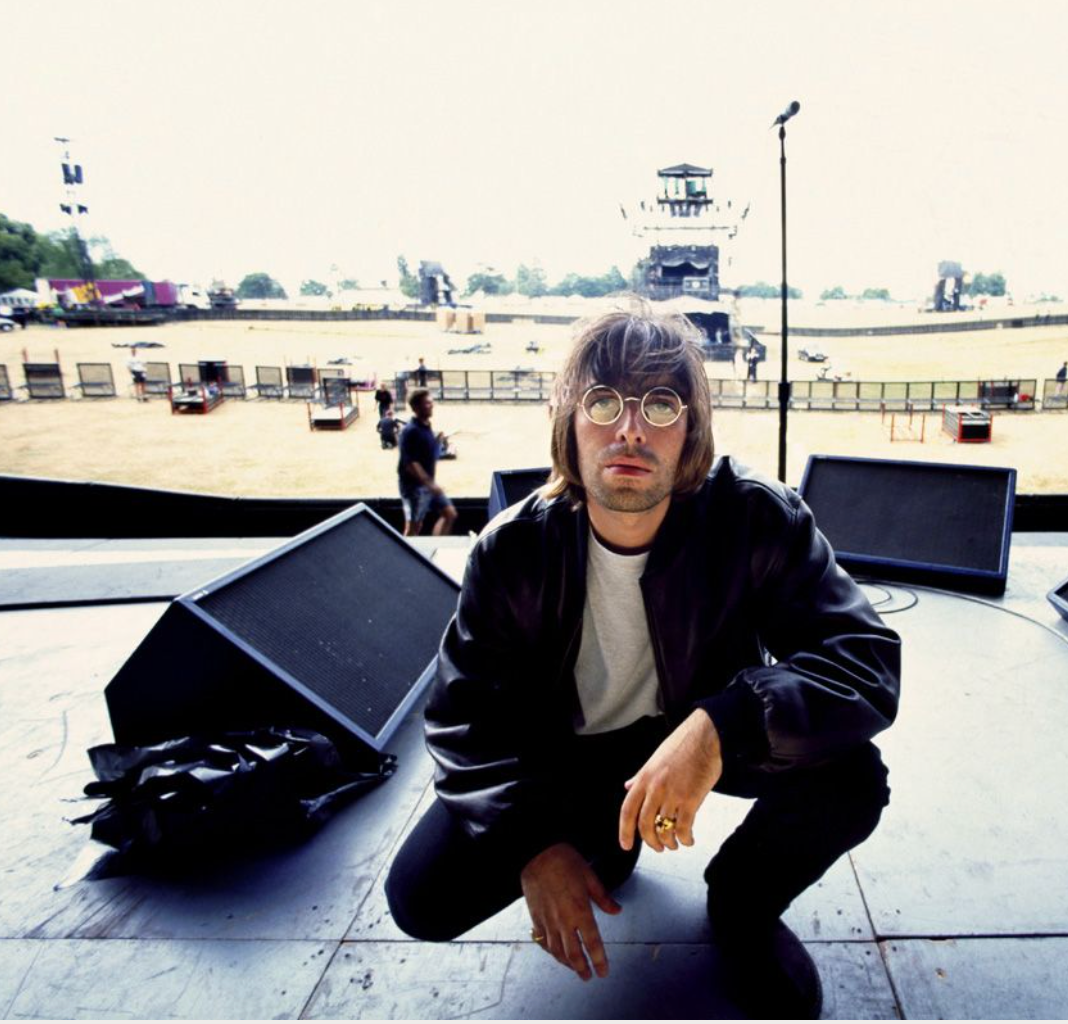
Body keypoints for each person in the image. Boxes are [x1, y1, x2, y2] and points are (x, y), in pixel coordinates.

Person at [385, 304, 900, 1018]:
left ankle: (743, 902)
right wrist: (533, 844)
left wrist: (724, 724)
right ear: (568, 420)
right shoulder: (512, 548)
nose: (629, 428)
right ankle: (604, 835)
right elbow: (462, 716)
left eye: (661, 405)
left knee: (851, 779)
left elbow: (865, 659)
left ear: (692, 430)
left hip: (703, 733)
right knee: (421, 897)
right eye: (603, 401)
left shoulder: (755, 516)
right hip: (570, 753)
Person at [397, 388, 457, 536]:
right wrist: (430, 484)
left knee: (449, 514)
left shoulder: (425, 427)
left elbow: (428, 454)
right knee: (413, 528)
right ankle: (405, 558)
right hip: (414, 488)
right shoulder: (410, 431)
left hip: (427, 486)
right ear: (416, 407)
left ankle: (437, 548)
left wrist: (438, 441)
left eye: (431, 402)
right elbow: (411, 464)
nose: (431, 405)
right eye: (427, 403)